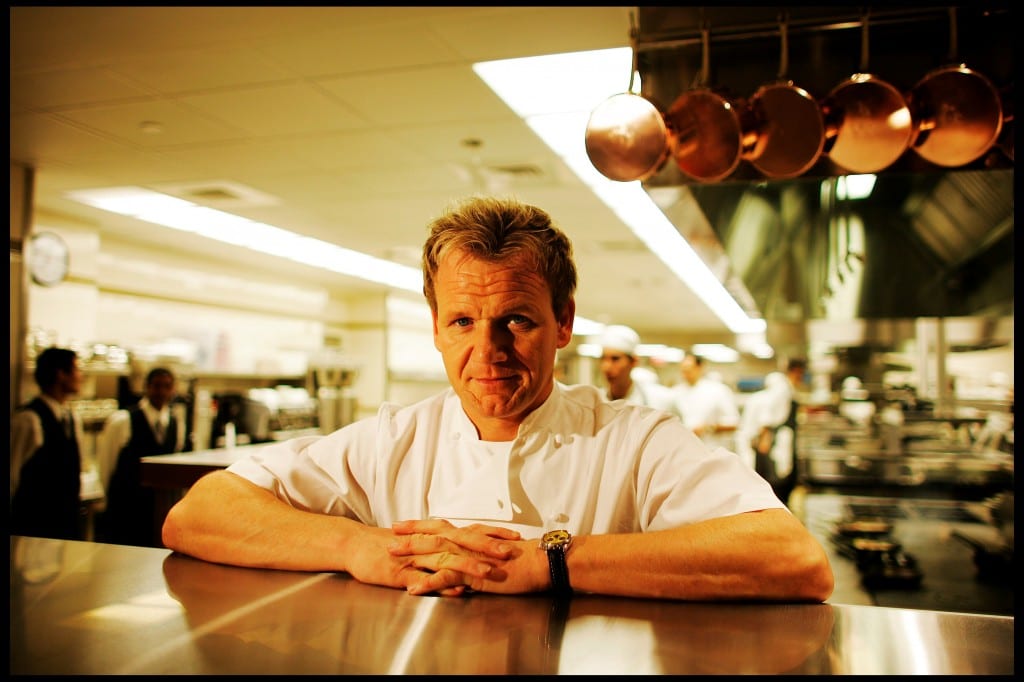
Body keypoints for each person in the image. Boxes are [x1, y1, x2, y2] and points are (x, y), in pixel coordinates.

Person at [162, 196, 833, 602]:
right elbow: (199, 513)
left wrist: (549, 561)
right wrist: (358, 547)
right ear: (435, 327)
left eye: (516, 320)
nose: (487, 352)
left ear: (563, 323)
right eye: (461, 322)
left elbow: (790, 557)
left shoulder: (633, 440)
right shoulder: (392, 440)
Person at [95, 367, 187, 546]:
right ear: (147, 387)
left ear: (173, 390)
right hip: (126, 507)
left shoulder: (177, 424)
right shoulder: (123, 420)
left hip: (157, 509)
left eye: (167, 386)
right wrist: (105, 500)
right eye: (156, 386)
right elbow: (106, 463)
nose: (161, 391)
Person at [10, 346, 86, 540]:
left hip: (65, 523)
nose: (80, 376)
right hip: (34, 527)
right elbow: (13, 474)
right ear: (61, 374)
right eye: (77, 369)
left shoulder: (70, 417)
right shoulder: (29, 419)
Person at [597, 324, 679, 416]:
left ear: (634, 361)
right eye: (603, 358)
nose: (606, 366)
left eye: (615, 359)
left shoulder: (662, 402)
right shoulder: (593, 403)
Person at [671, 353, 741, 451]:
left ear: (700, 367)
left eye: (689, 369)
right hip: (685, 450)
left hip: (712, 450)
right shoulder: (675, 392)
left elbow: (733, 423)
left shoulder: (718, 391)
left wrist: (708, 428)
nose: (686, 374)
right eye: (683, 370)